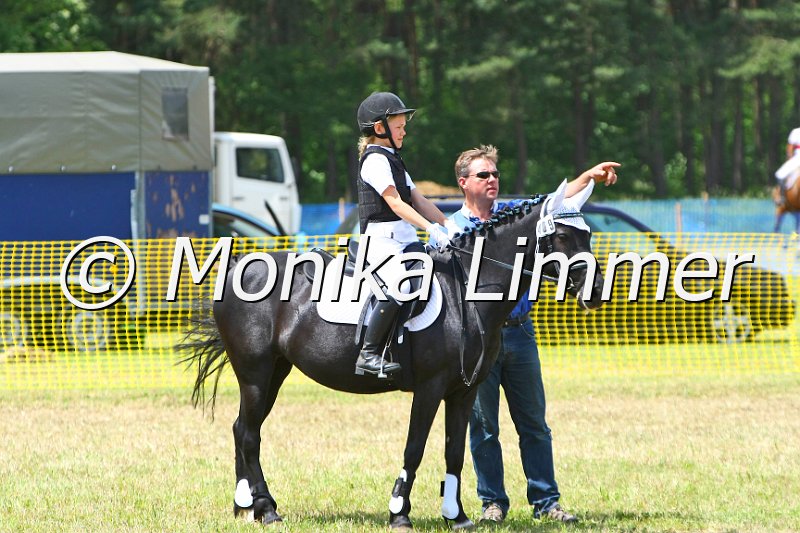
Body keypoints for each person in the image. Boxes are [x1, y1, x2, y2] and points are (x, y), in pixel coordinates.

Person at [449, 145, 619, 525]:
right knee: (484, 427)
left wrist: (588, 176)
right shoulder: (452, 229)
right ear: (463, 182)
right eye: (483, 175)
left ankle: (547, 501)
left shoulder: (514, 216)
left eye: (495, 174)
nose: (492, 180)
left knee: (534, 425)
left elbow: (555, 202)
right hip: (477, 340)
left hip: (520, 334)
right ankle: (492, 503)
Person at [354, 91, 459, 376]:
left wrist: (447, 223)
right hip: (381, 242)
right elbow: (396, 203)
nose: (404, 132)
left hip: (404, 239)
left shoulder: (393, 159)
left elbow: (417, 199)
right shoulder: (374, 161)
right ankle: (368, 353)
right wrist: (431, 229)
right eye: (399, 127)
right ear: (380, 128)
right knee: (399, 286)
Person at [774, 127, 800, 206]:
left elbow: (789, 150)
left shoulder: (796, 131)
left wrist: (789, 159)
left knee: (779, 174)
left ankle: (782, 198)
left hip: (797, 159)